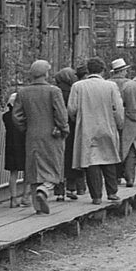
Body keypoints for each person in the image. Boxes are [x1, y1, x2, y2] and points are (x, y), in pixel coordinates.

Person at [11, 60, 69, 214]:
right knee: (54, 167)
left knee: (34, 169)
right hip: (52, 135)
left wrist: (26, 128)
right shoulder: (54, 91)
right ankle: (45, 189)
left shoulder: (23, 92)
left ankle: (38, 207)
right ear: (46, 73)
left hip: (32, 135)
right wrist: (63, 129)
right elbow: (61, 114)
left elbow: (16, 116)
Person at [67, 57, 125, 205]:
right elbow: (118, 108)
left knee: (92, 161)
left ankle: (96, 196)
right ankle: (112, 192)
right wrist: (119, 124)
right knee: (109, 158)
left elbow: (71, 109)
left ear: (88, 70)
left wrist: (76, 119)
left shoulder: (78, 86)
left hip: (87, 127)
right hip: (107, 125)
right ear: (103, 70)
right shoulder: (110, 86)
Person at [53, 67, 86, 201]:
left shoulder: (55, 91)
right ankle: (71, 188)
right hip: (72, 128)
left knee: (58, 159)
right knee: (72, 158)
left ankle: (59, 190)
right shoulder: (74, 91)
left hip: (56, 129)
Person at [1, 91, 27, 207]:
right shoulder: (24, 116)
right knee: (27, 172)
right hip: (23, 144)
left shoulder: (5, 116)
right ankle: (25, 196)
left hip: (11, 145)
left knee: (13, 173)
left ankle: (13, 198)